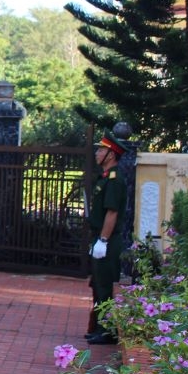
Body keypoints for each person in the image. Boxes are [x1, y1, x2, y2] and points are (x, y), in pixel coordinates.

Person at [86, 131, 128, 345]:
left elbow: (112, 213)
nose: (97, 153)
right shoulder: (104, 178)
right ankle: (99, 327)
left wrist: (103, 240)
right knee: (97, 284)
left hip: (108, 240)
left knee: (104, 286)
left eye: (101, 150)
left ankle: (106, 330)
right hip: (100, 237)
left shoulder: (114, 180)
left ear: (111, 155)